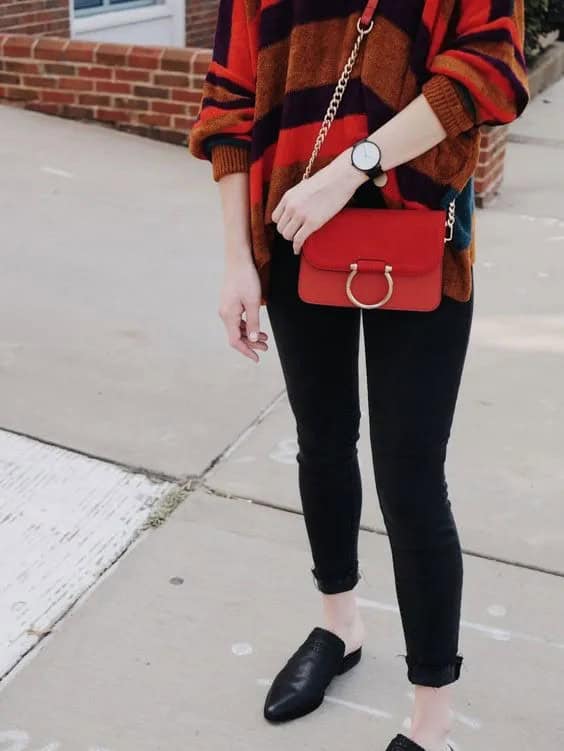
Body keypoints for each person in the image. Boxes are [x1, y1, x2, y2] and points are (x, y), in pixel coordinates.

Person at [188, 2, 529, 750]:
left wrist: (354, 166)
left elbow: (492, 69)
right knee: (323, 441)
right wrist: (237, 260)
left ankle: (431, 717)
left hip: (422, 237)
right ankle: (338, 624)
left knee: (410, 476)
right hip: (291, 234)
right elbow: (230, 107)